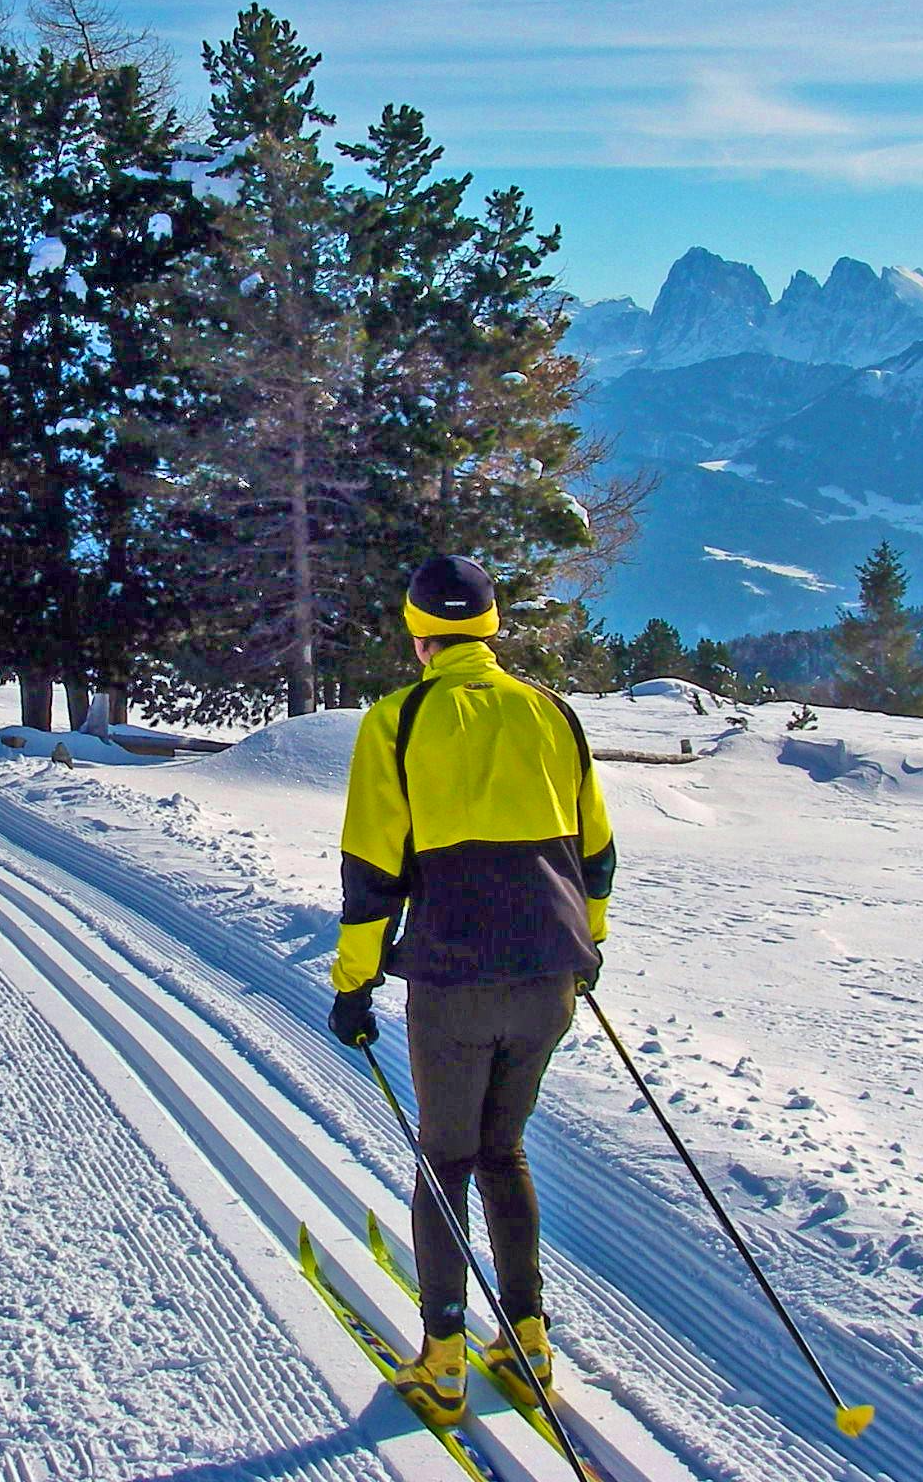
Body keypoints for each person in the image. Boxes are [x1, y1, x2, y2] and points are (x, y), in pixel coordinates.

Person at [327, 553, 614, 1428]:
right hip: (549, 979)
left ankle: (443, 1359)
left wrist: (354, 982)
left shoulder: (397, 720)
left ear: (419, 634)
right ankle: (528, 1347)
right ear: (492, 629)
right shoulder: (552, 712)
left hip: (454, 982)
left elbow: (373, 870)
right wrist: (586, 946)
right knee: (505, 1153)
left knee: (444, 1159)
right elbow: (594, 852)